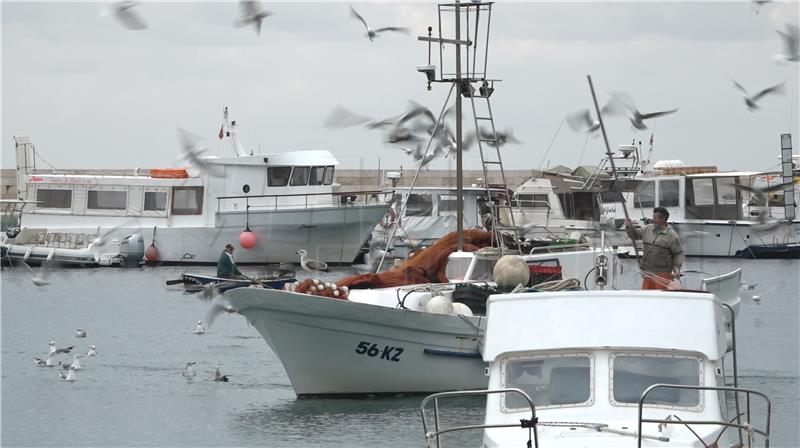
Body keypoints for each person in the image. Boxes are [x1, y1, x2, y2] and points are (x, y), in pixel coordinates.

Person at [624, 207, 684, 290]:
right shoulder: (647, 229)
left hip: (663, 275)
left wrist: (677, 267)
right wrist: (629, 227)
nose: (652, 220)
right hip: (647, 273)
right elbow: (634, 236)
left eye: (655, 218)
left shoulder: (672, 235)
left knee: (660, 299)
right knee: (646, 299)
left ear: (663, 219)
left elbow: (679, 253)